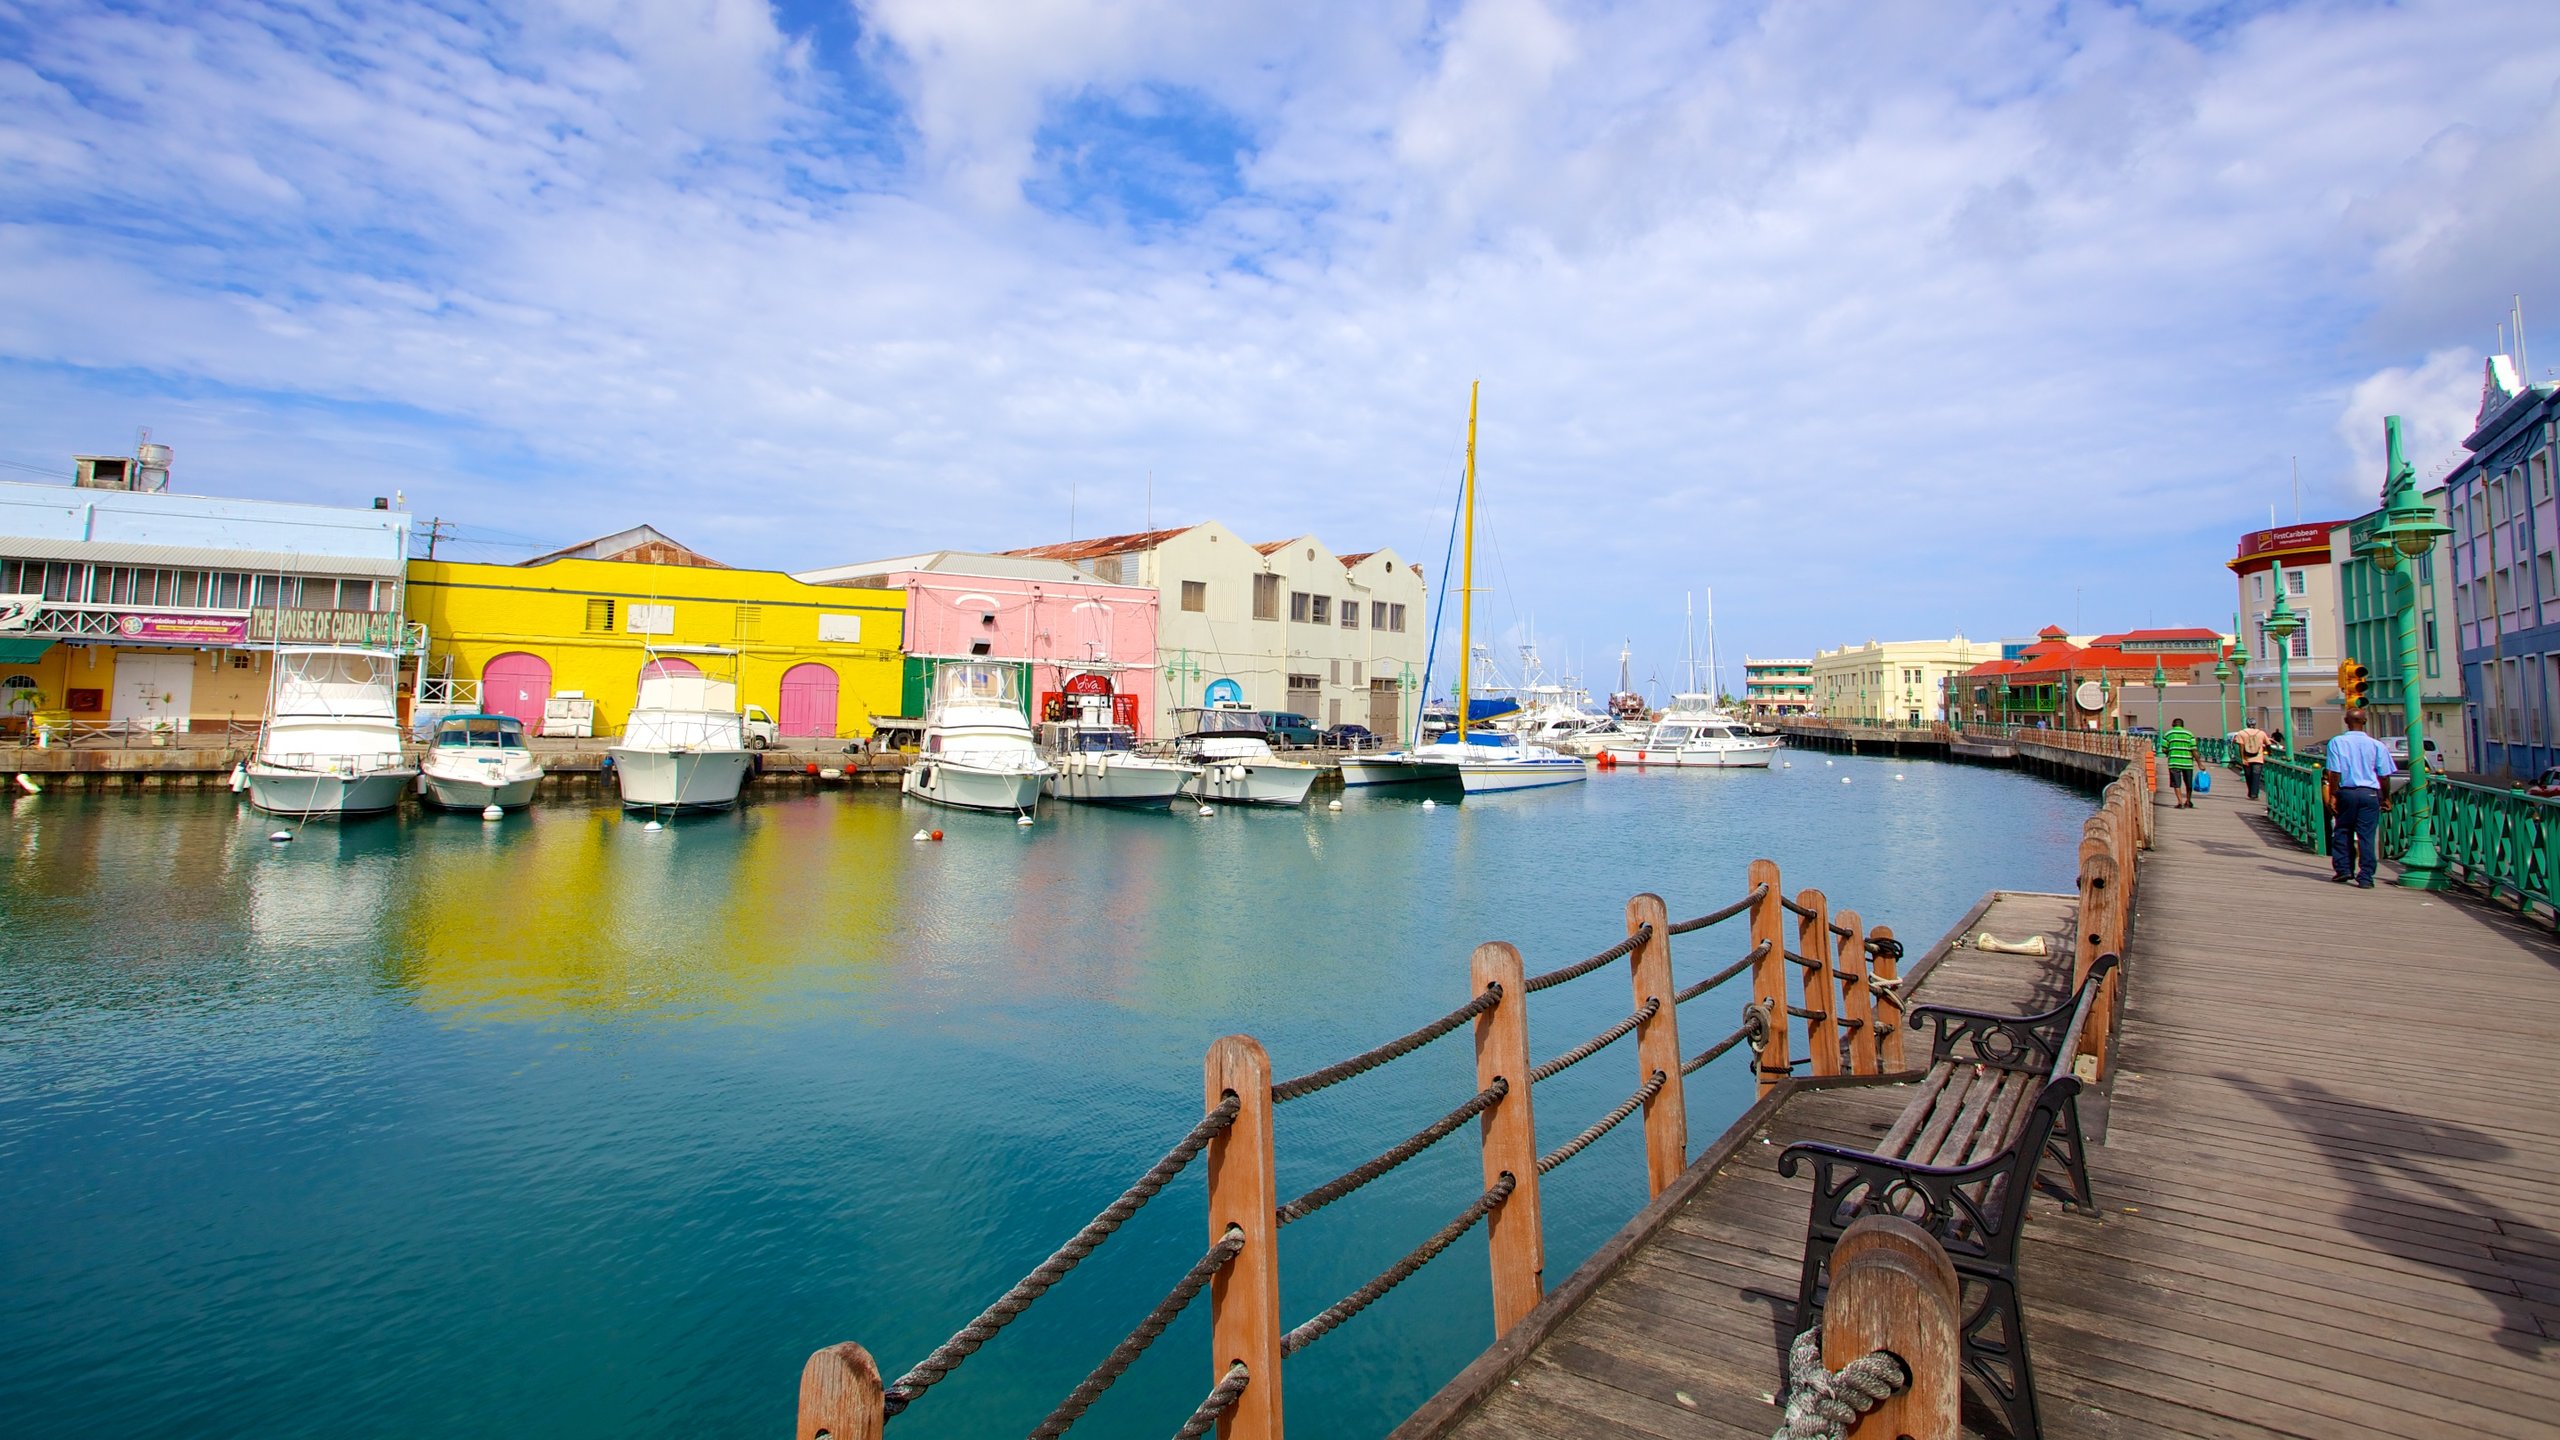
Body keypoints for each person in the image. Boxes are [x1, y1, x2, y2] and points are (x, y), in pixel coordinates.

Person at [2322, 709, 2397, 888]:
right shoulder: (2377, 745)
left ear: (2346, 721)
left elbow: (2334, 773)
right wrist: (2386, 798)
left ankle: (2344, 869)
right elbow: (2384, 776)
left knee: (2342, 831)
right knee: (2366, 836)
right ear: (2365, 721)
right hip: (2369, 793)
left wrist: (2333, 794)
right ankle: (2366, 876)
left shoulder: (2337, 742)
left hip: (2347, 792)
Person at [2160, 717, 2200, 807]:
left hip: (2174, 761)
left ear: (2173, 724)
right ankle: (2188, 800)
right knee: (2188, 783)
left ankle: (2180, 802)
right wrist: (2200, 764)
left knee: (2176, 783)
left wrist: (2170, 751)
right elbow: (2194, 750)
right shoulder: (2189, 734)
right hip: (2188, 763)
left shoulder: (2168, 734)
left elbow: (2163, 749)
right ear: (2183, 725)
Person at [2230, 720, 2272, 799]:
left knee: (2248, 775)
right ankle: (2254, 793)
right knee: (2256, 776)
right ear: (2255, 724)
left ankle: (2251, 792)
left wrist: (2243, 758)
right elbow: (2268, 744)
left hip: (2247, 758)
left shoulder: (2241, 733)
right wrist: (2270, 753)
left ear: (2247, 724)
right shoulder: (2261, 733)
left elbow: (2241, 747)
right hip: (2258, 758)